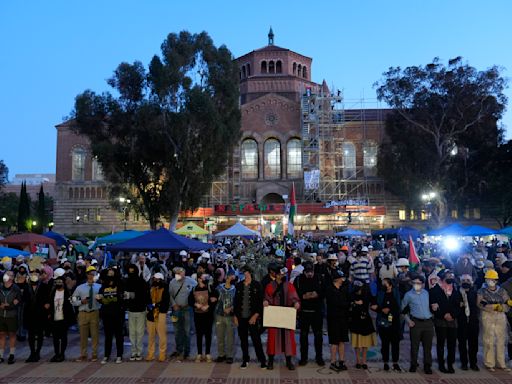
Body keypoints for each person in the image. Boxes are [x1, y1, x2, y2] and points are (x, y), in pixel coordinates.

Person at [264, 266, 300, 371]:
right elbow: (267, 297)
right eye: (281, 274)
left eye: (284, 274)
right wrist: (266, 302)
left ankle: (289, 361)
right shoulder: (270, 286)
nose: (283, 276)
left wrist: (296, 303)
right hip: (274, 315)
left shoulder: (289, 286)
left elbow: (294, 297)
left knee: (288, 338)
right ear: (276, 275)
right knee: (272, 338)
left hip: (286, 315)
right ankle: (270, 361)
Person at [477, 269, 511, 372]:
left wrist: (505, 306)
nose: (490, 281)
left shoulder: (502, 291)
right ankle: (489, 363)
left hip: (500, 316)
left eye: (492, 279)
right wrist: (494, 307)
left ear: (496, 280)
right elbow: (480, 304)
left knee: (501, 339)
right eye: (488, 279)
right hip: (487, 315)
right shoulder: (482, 291)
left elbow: (506, 301)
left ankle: (501, 363)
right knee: (489, 340)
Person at [233, 265, 266, 369]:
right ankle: (245, 359)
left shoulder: (257, 285)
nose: (244, 274)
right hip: (241, 317)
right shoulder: (238, 285)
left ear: (250, 273)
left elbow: (260, 302)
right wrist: (235, 316)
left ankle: (262, 360)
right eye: (243, 272)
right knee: (243, 340)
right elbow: (235, 302)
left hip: (253, 317)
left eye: (245, 272)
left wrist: (256, 315)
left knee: (256, 339)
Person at [429, 269, 461, 373]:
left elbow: (458, 305)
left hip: (452, 320)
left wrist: (452, 314)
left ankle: (450, 364)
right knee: (441, 343)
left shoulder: (455, 289)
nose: (451, 278)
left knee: (452, 344)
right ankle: (441, 364)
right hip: (440, 320)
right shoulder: (435, 290)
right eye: (448, 276)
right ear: (443, 277)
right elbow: (433, 305)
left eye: (452, 276)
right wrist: (444, 314)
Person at [293, 261, 324, 367]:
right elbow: (297, 294)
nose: (310, 274)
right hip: (304, 312)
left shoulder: (319, 278)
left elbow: (322, 292)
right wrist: (311, 294)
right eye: (307, 272)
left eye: (311, 272)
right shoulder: (298, 279)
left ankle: (319, 357)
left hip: (317, 312)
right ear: (303, 271)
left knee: (318, 335)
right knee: (303, 336)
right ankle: (303, 358)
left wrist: (309, 295)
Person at [401, 275, 434, 374]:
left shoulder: (426, 293)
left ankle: (427, 365)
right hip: (416, 323)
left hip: (428, 323)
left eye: (418, 283)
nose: (416, 285)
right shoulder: (408, 295)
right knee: (414, 346)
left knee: (427, 347)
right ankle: (413, 364)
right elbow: (402, 309)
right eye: (414, 283)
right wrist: (408, 321)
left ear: (423, 284)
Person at [71, 265, 101, 362]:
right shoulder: (80, 288)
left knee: (95, 335)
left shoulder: (99, 287)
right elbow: (73, 299)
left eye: (93, 274)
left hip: (94, 312)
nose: (91, 276)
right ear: (87, 275)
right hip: (83, 313)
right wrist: (81, 302)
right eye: (90, 274)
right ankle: (83, 354)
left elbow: (103, 300)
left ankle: (94, 354)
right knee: (83, 335)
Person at [23, 268, 51, 362]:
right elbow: (24, 300)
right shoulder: (27, 287)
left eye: (36, 273)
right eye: (32, 273)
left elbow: (48, 299)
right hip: (30, 313)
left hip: (40, 313)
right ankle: (32, 353)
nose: (34, 275)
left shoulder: (44, 286)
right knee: (30, 335)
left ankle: (37, 353)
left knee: (39, 334)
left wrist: (47, 308)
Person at [169, 266, 197, 361]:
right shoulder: (172, 282)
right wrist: (174, 304)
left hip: (187, 309)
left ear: (184, 273)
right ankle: (178, 350)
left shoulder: (191, 281)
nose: (178, 274)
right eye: (177, 273)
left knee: (187, 331)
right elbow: (170, 295)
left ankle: (187, 352)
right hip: (176, 310)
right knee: (177, 331)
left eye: (180, 273)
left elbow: (197, 291)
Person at [98, 267, 125, 364]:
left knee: (119, 335)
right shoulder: (104, 285)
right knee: (108, 335)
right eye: (109, 273)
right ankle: (106, 355)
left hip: (117, 312)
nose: (110, 275)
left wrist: (117, 298)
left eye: (112, 273)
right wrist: (100, 299)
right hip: (107, 313)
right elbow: (100, 296)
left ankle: (119, 355)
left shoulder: (120, 283)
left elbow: (123, 296)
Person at [325, 269, 350, 372]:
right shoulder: (330, 290)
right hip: (334, 318)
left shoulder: (343, 289)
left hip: (343, 318)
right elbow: (337, 303)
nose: (343, 279)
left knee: (342, 340)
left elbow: (347, 301)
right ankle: (333, 361)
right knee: (334, 341)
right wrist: (345, 304)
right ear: (337, 279)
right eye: (341, 278)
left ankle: (342, 360)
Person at [349, 281, 377, 369]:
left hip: (365, 320)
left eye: (359, 289)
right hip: (355, 320)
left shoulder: (367, 294)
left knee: (365, 343)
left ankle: (364, 361)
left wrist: (373, 306)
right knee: (356, 342)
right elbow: (347, 304)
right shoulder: (352, 295)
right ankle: (358, 360)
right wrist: (354, 303)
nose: (358, 291)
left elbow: (374, 302)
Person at [124, 263, 149, 361]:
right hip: (131, 310)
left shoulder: (141, 281)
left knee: (139, 332)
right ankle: (134, 352)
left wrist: (131, 295)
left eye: (132, 271)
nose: (131, 273)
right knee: (133, 333)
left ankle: (138, 352)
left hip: (140, 310)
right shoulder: (127, 281)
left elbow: (144, 295)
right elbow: (125, 295)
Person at [49, 268, 75, 362]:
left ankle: (62, 354)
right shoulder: (53, 293)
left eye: (60, 281)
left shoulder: (67, 293)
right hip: (55, 317)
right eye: (57, 281)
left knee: (63, 337)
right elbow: (50, 304)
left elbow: (70, 304)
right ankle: (56, 354)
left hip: (64, 318)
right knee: (55, 338)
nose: (58, 283)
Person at [376, 278, 402, 372]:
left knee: (395, 343)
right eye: (382, 283)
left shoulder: (396, 293)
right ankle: (385, 362)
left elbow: (399, 307)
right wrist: (381, 310)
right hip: (383, 321)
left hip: (394, 322)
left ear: (390, 285)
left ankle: (395, 363)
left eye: (385, 284)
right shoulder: (380, 293)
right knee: (385, 343)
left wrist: (390, 311)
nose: (383, 285)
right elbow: (376, 306)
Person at [190, 272, 215, 363]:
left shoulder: (210, 288)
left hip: (208, 316)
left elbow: (216, 297)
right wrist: (195, 304)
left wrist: (209, 306)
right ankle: (199, 353)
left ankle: (207, 353)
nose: (206, 279)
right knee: (199, 335)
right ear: (199, 279)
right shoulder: (194, 289)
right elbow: (190, 300)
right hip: (198, 315)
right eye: (204, 277)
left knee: (208, 334)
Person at [457, 274, 480, 371]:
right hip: (461, 322)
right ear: (460, 282)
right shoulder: (456, 293)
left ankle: (473, 363)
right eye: (464, 280)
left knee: (473, 344)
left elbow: (477, 305)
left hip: (473, 321)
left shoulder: (475, 293)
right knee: (462, 344)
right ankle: (464, 363)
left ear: (472, 282)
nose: (466, 282)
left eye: (468, 280)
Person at [146, 272, 169, 362]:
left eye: (156, 279)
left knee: (161, 335)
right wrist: (150, 306)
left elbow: (165, 302)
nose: (155, 280)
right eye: (154, 279)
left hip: (161, 313)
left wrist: (156, 305)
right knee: (151, 335)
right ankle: (150, 354)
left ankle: (162, 354)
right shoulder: (151, 289)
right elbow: (147, 299)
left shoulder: (165, 289)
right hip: (151, 314)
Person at [0, 271, 22, 364]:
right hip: (1, 315)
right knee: (1, 334)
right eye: (6, 274)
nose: (7, 276)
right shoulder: (0, 287)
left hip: (12, 315)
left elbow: (17, 302)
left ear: (12, 278)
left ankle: (11, 355)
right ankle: (1, 355)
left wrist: (8, 306)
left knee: (12, 334)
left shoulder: (15, 289)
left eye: (10, 275)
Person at [215, 270, 236, 364]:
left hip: (230, 316)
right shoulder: (219, 288)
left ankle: (230, 355)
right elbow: (214, 298)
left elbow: (237, 301)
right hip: (219, 315)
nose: (233, 278)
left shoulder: (235, 289)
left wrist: (232, 308)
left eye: (233, 276)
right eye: (231, 276)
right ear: (227, 277)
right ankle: (221, 354)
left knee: (230, 337)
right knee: (220, 335)